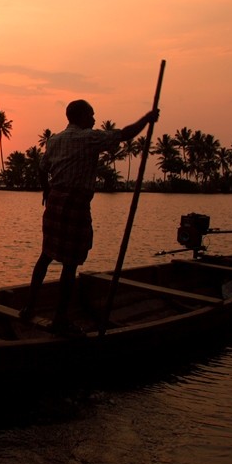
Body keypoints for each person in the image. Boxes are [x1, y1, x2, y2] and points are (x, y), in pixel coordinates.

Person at [20, 99, 159, 332]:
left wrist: (47, 189)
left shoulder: (54, 140)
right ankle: (60, 318)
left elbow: (41, 168)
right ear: (82, 116)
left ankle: (29, 307)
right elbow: (124, 134)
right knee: (70, 263)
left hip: (55, 201)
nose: (94, 120)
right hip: (75, 202)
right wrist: (147, 118)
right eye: (92, 115)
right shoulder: (88, 138)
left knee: (46, 255)